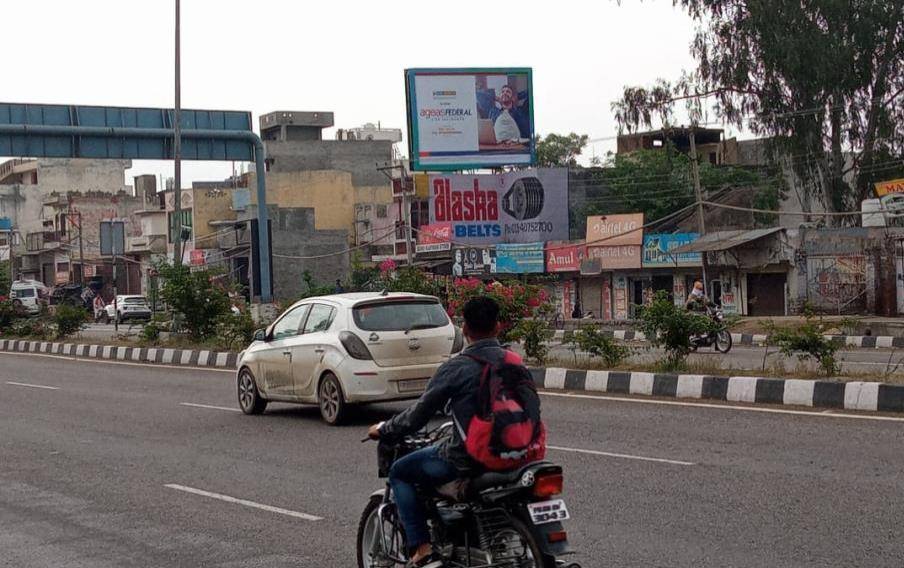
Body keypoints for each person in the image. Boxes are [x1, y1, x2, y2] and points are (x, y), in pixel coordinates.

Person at [367, 297, 520, 568]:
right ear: (498, 326)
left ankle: (423, 549)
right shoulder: (515, 362)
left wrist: (386, 428)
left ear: (464, 328)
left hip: (470, 458)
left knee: (400, 471)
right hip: (519, 452)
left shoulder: (457, 367)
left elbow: (417, 415)